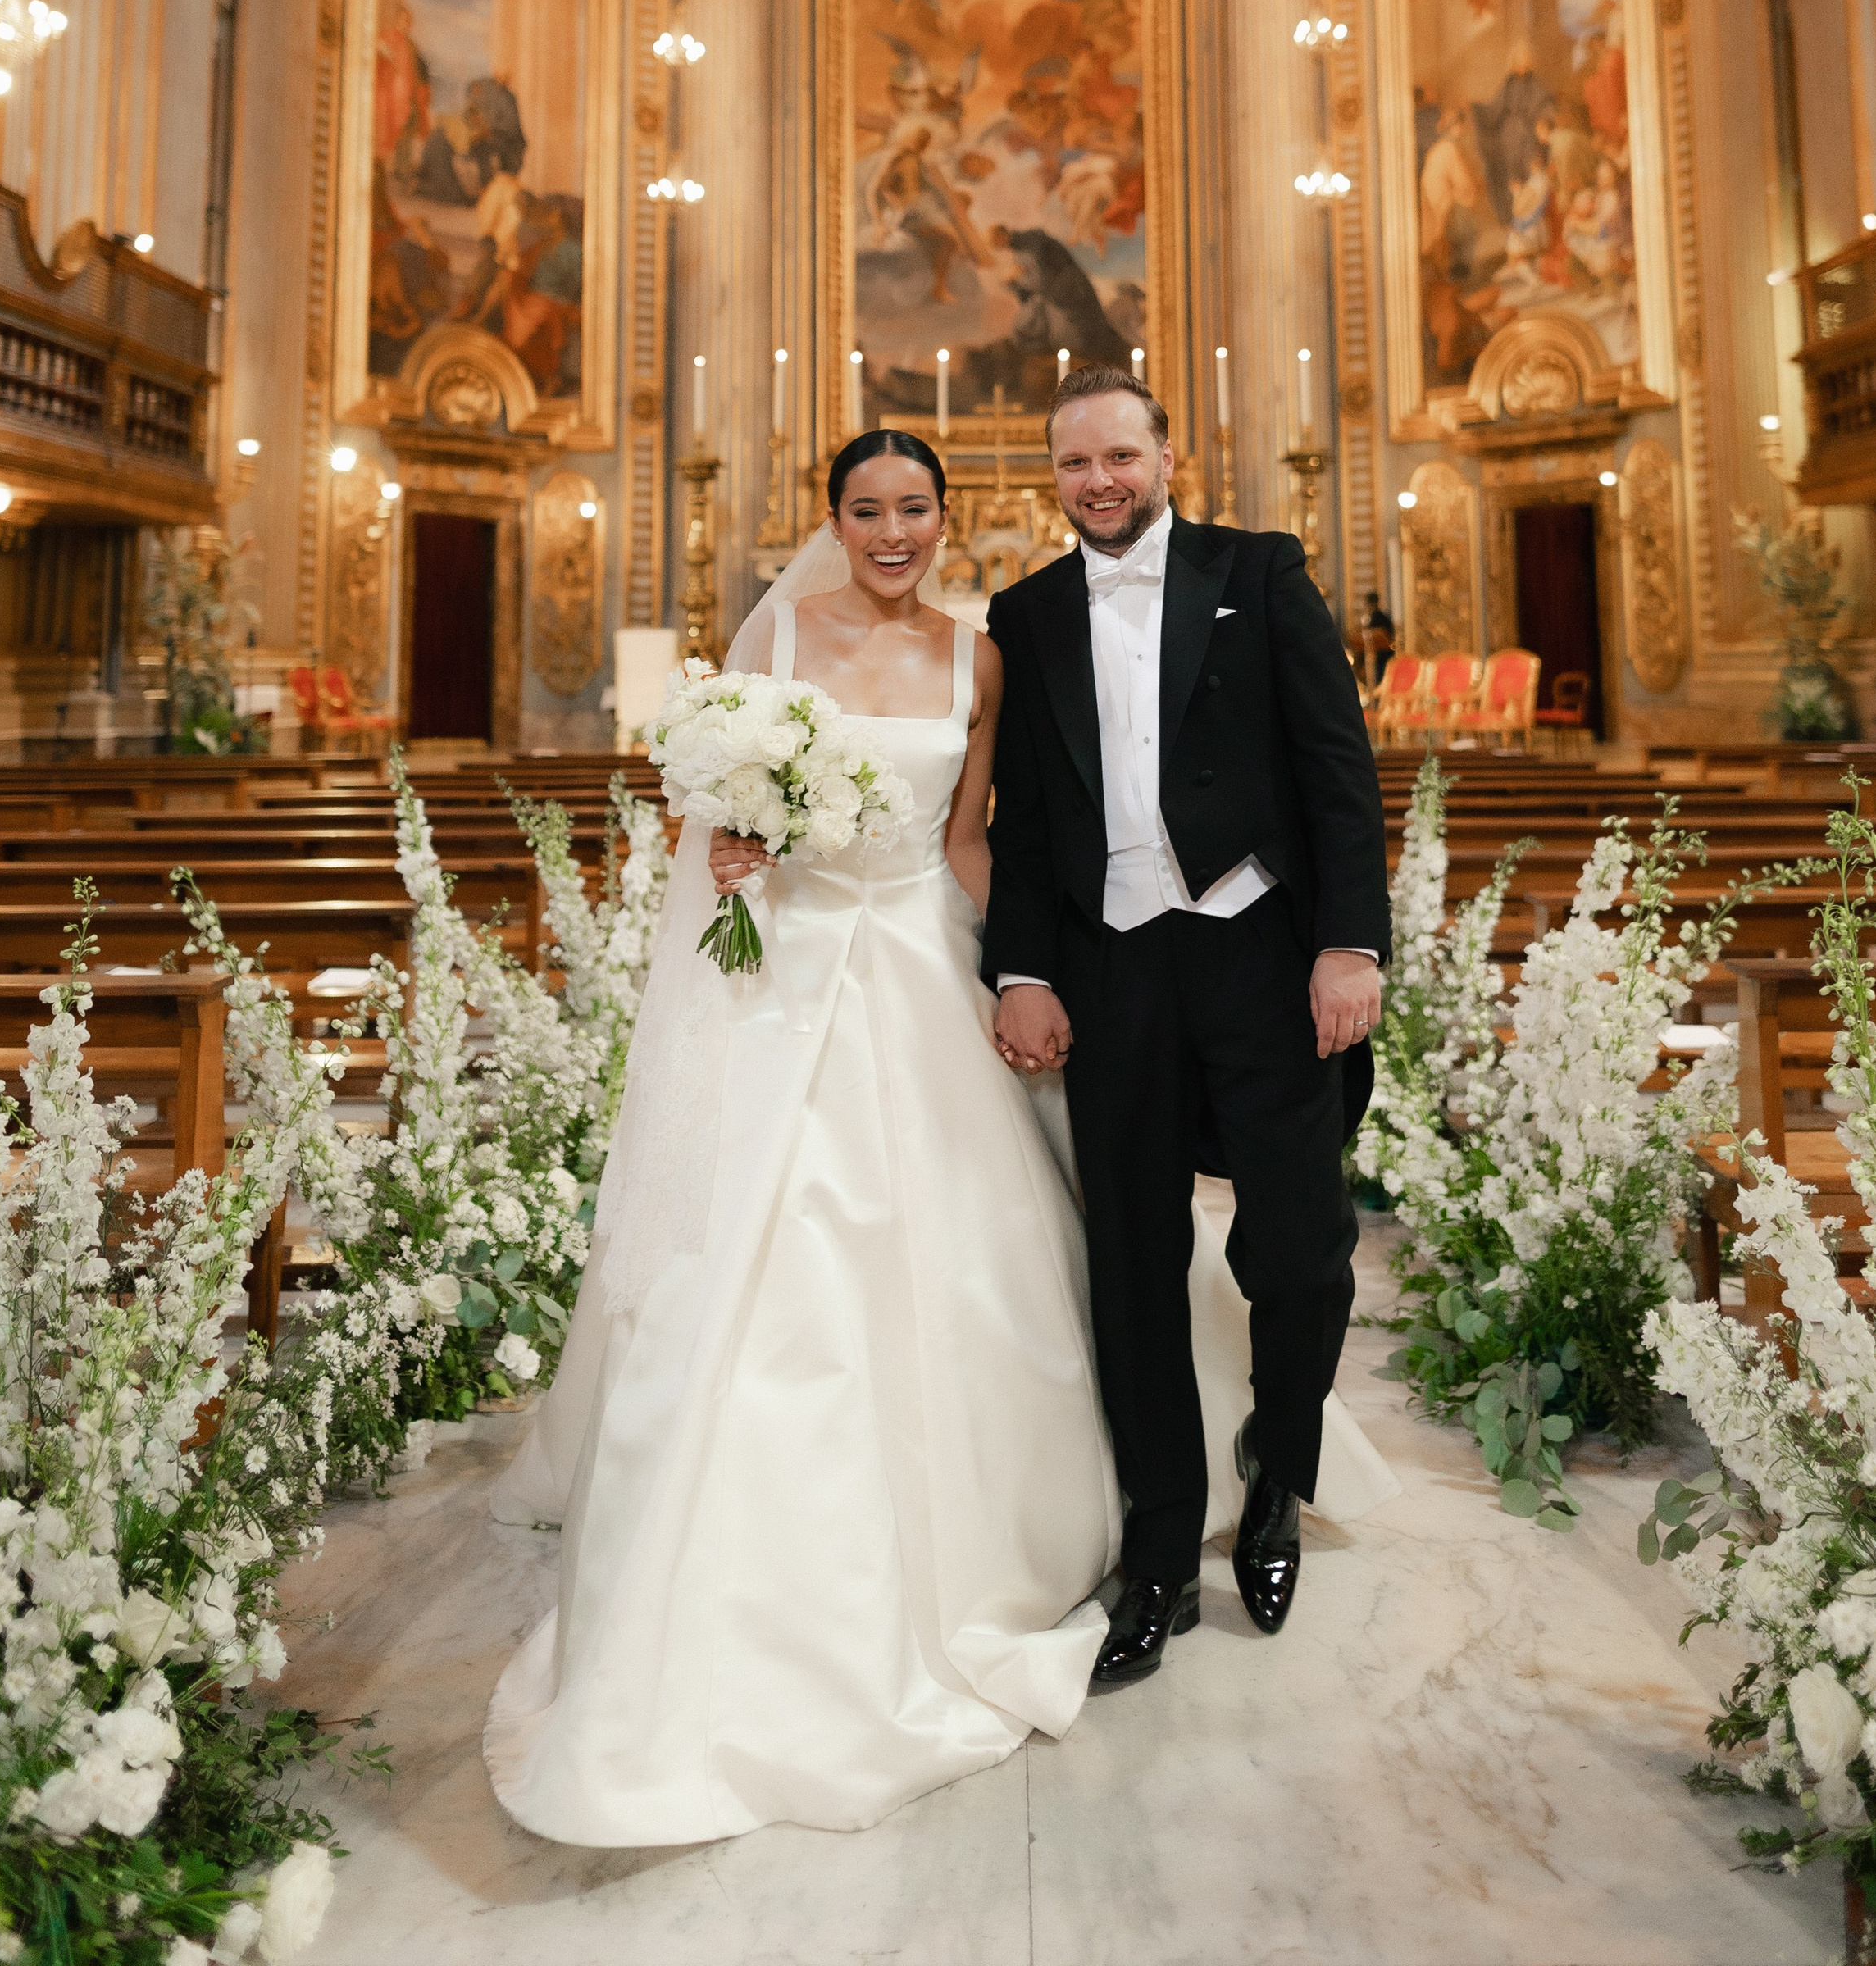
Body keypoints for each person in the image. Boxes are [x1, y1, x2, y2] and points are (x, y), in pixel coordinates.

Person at [483, 431, 1117, 1840]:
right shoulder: (777, 634)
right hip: (788, 979)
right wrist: (728, 848)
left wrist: (1020, 964)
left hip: (917, 964)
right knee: (772, 1264)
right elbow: (711, 800)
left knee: (971, 1259)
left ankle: (994, 1552)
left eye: (915, 511)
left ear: (950, 521)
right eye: (867, 510)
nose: (893, 532)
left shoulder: (978, 658)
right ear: (831, 519)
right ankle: (733, 1596)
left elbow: (966, 839)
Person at [983, 367, 1391, 1689]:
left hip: (1262, 960)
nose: (1097, 481)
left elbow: (1338, 771)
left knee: (1305, 1245)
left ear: (1168, 455)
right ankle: (1160, 1549)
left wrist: (1348, 944)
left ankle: (1278, 1475)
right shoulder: (1027, 612)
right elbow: (1029, 825)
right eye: (1072, 464)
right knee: (1135, 1268)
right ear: (1050, 478)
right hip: (1112, 973)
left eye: (1119, 455)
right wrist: (1022, 974)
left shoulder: (1261, 571)